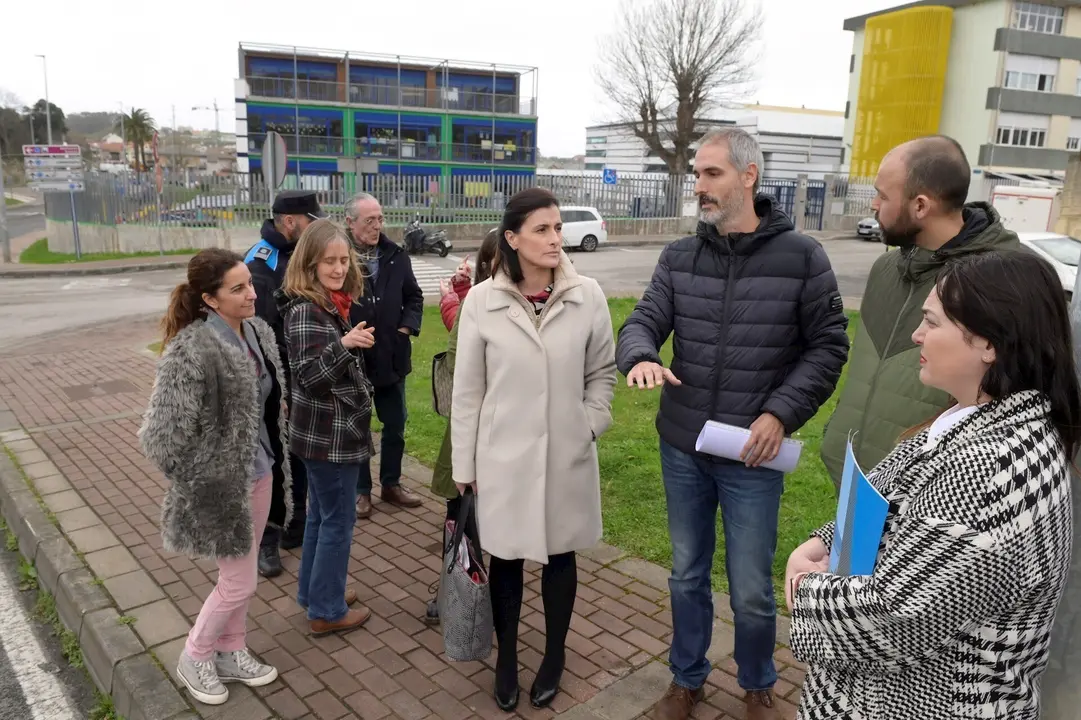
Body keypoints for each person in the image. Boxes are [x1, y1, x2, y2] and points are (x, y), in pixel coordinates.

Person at [615, 128, 850, 720]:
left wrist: (779, 414)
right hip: (684, 446)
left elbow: (827, 348)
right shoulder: (679, 256)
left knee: (751, 587)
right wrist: (640, 354)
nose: (699, 186)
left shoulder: (803, 257)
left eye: (711, 174)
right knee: (687, 573)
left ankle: (756, 682)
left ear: (748, 177)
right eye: (696, 175)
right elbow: (643, 320)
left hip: (753, 452)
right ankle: (686, 678)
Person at [786, 250, 1079, 720]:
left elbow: (893, 618)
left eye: (932, 322)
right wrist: (823, 542)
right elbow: (884, 498)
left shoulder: (988, 465)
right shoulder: (969, 420)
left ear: (989, 343)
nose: (916, 335)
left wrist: (803, 586)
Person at [452, 188, 617, 711]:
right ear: (513, 238)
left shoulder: (587, 294)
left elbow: (602, 374)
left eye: (557, 227)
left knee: (560, 555)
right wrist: (465, 463)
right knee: (505, 558)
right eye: (542, 229)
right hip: (503, 457)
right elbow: (468, 391)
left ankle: (553, 656)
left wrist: (588, 425)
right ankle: (505, 661)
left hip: (566, 455)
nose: (554, 238)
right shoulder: (484, 300)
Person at [820, 135, 1019, 487]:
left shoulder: (1002, 282)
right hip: (857, 482)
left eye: (882, 195)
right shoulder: (886, 269)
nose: (873, 204)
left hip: (933, 495)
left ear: (921, 206)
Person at [139, 248, 291, 706]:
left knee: (243, 577)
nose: (252, 294)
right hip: (223, 486)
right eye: (238, 288)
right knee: (238, 581)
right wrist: (203, 477)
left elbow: (266, 398)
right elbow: (160, 437)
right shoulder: (193, 348)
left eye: (250, 283)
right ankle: (195, 655)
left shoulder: (258, 331)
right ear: (209, 298)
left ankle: (231, 650)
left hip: (261, 472)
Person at [279, 219, 376, 637]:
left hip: (327, 435)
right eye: (329, 261)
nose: (338, 268)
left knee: (321, 517)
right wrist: (345, 345)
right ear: (310, 263)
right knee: (337, 522)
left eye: (343, 260)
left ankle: (316, 594)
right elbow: (309, 377)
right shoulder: (306, 309)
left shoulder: (328, 303)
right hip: (328, 439)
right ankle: (327, 611)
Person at [245, 189, 327, 578]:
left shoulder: (299, 254)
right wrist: (282, 388)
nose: (316, 227)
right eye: (311, 220)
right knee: (273, 460)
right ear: (291, 221)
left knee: (297, 457)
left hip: (302, 373)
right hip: (274, 379)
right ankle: (266, 541)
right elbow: (261, 333)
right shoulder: (262, 262)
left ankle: (296, 525)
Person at [424, 231, 499, 627]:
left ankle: (474, 588)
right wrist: (456, 296)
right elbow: (462, 357)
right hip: (470, 434)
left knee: (483, 518)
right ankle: (456, 586)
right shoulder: (480, 302)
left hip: (499, 435)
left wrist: (454, 294)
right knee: (461, 513)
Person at [344, 192, 425, 517]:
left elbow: (414, 297)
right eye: (369, 220)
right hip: (356, 361)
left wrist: (405, 329)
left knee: (395, 424)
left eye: (380, 219)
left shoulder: (396, 254)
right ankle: (362, 492)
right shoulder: (338, 256)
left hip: (393, 357)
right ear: (350, 223)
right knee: (358, 428)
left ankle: (391, 484)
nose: (377, 226)